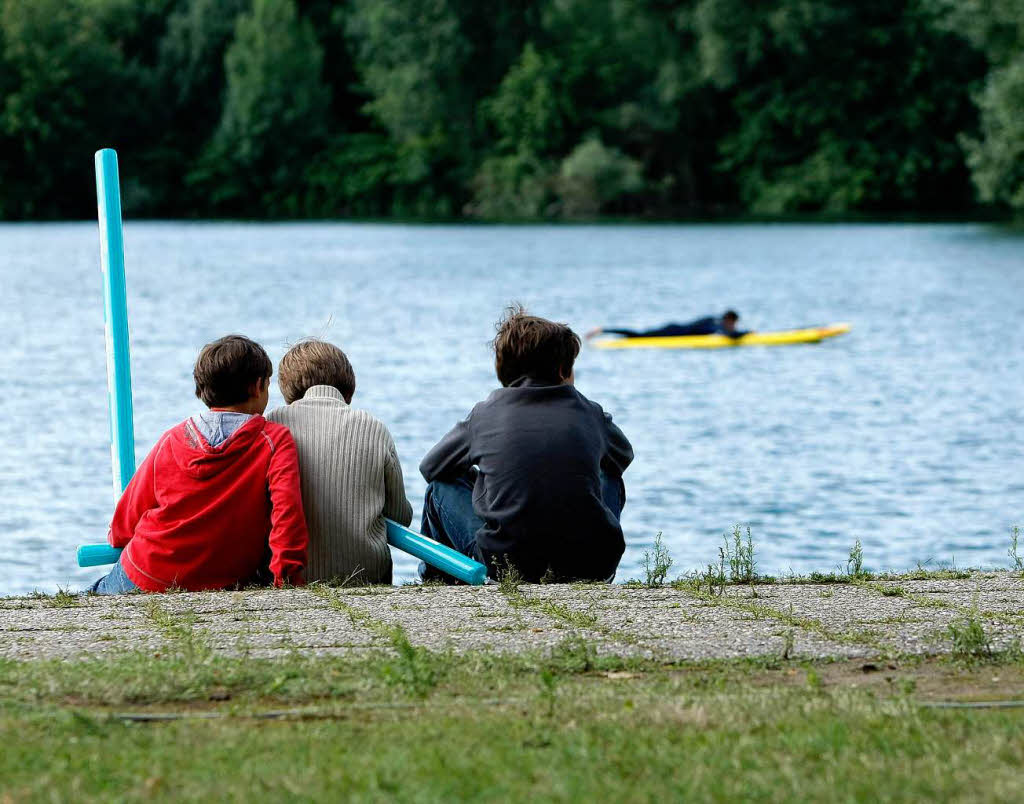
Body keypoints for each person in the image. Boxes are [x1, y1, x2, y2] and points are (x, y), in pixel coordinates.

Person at [419, 306, 633, 582]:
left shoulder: (486, 413)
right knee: (610, 471)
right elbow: (623, 455)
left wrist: (485, 486)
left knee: (441, 486)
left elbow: (431, 468)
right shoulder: (590, 412)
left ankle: (439, 582)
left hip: (507, 564)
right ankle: (597, 563)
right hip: (591, 564)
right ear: (562, 369)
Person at [89, 335, 308, 594]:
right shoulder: (272, 441)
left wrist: (117, 539)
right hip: (220, 578)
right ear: (258, 386)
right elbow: (287, 515)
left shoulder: (173, 439)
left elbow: (129, 513)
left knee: (90, 598)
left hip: (146, 570)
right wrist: (286, 581)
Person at [265, 338, 413, 584]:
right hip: (368, 575)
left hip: (292, 575)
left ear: (287, 389)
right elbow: (399, 516)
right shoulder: (373, 427)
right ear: (348, 387)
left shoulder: (273, 424)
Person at [586, 310, 748, 340]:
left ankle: (603, 330)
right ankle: (603, 330)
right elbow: (732, 336)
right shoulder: (717, 326)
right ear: (729, 321)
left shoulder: (712, 320)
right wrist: (748, 333)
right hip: (671, 333)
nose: (734, 327)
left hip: (673, 328)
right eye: (734, 324)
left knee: (640, 334)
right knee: (639, 336)